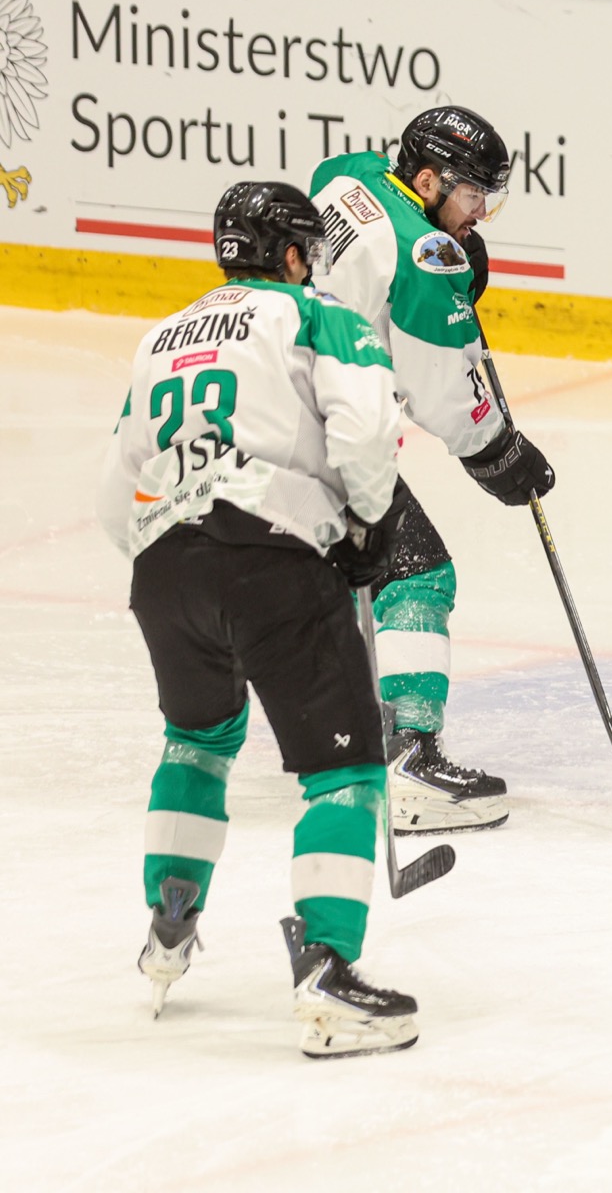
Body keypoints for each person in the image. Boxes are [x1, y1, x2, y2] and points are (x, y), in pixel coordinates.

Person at [100, 181, 420, 1057]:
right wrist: (366, 528)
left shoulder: (161, 336)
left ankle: (169, 927)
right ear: (289, 253)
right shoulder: (319, 316)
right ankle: (328, 972)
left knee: (196, 741)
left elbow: (114, 491)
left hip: (163, 568)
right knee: (343, 773)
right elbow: (364, 432)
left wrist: (179, 558)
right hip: (271, 556)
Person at [310, 106, 552, 834]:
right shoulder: (423, 255)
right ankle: (410, 759)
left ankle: (338, 729)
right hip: (324, 432)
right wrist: (499, 452)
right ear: (426, 180)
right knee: (415, 573)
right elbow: (443, 390)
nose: (480, 214)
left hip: (267, 410)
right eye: (474, 196)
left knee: (333, 578)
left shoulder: (350, 175)